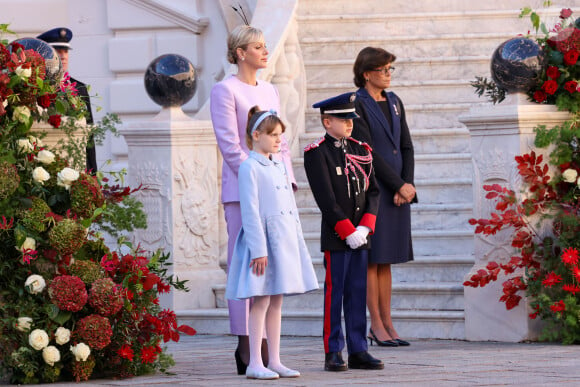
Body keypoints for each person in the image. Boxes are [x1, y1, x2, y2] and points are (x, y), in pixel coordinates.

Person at [209, 24, 296, 375]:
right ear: (240, 52)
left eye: (265, 45)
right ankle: (246, 343)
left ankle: (268, 349)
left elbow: (280, 140)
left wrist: (286, 180)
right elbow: (230, 144)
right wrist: (257, 178)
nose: (264, 50)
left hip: (274, 189)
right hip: (242, 190)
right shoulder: (224, 90)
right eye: (256, 46)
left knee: (272, 262)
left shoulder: (271, 89)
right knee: (245, 261)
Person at [226, 107, 318, 380]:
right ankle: (255, 361)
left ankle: (275, 359)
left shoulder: (278, 163)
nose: (279, 140)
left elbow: (288, 204)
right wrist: (259, 249)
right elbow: (251, 211)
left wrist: (295, 239)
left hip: (282, 239)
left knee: (276, 300)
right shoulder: (249, 166)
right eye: (273, 135)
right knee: (261, 300)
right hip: (263, 242)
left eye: (281, 135)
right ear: (256, 135)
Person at [304, 92, 384, 372]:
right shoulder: (317, 154)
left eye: (351, 119)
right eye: (343, 119)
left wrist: (366, 226)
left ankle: (358, 349)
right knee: (334, 293)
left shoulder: (362, 149)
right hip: (338, 236)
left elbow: (373, 191)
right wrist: (347, 230)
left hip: (361, 235)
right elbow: (326, 199)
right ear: (327, 122)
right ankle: (333, 350)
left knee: (357, 292)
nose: (349, 124)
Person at [352, 47, 416, 347]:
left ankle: (389, 323)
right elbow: (367, 150)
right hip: (374, 190)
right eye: (383, 69)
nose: (389, 74)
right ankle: (375, 325)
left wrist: (408, 184)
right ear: (367, 73)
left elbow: (405, 146)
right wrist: (396, 185)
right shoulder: (357, 103)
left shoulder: (394, 101)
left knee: (387, 259)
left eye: (391, 69)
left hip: (398, 192)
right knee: (371, 259)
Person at [36, 27, 97, 173]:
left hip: (77, 164)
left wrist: (92, 173)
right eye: (57, 51)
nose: (63, 56)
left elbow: (89, 136)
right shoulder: (37, 88)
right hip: (47, 165)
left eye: (65, 51)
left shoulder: (79, 88)